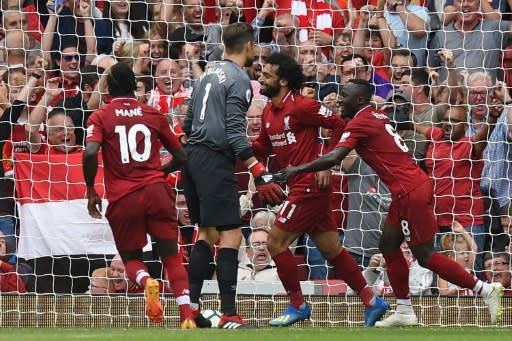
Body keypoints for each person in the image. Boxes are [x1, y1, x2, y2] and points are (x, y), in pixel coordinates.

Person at [282, 79, 504, 327]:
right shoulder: (375, 113)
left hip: (411, 191)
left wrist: (297, 170)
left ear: (360, 100)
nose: (339, 99)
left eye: (344, 95)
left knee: (426, 256)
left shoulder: (361, 122)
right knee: (388, 246)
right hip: (405, 190)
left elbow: (335, 156)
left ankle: (484, 289)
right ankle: (404, 310)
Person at [254, 52, 389, 327]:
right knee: (331, 249)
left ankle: (298, 305)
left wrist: (327, 163)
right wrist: (233, 144)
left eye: (266, 75)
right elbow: (263, 148)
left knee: (275, 243)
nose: (260, 78)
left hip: (310, 185)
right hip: (298, 184)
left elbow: (339, 124)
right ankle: (372, 300)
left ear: (281, 81)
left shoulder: (304, 106)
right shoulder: (269, 111)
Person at [182, 22, 284, 329]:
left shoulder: (206, 74)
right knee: (231, 235)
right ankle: (229, 314)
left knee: (207, 233)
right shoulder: (240, 79)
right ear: (249, 46)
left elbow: (187, 123)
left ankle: (193, 310)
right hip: (213, 159)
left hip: (193, 158)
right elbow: (234, 132)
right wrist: (257, 167)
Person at [82, 63, 196, 329]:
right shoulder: (153, 113)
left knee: (131, 257)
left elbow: (89, 153)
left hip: (124, 197)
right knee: (171, 256)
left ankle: (147, 282)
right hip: (157, 192)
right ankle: (187, 315)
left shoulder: (101, 116)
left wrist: (91, 190)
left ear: (108, 88)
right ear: (135, 87)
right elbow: (181, 155)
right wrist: (162, 170)